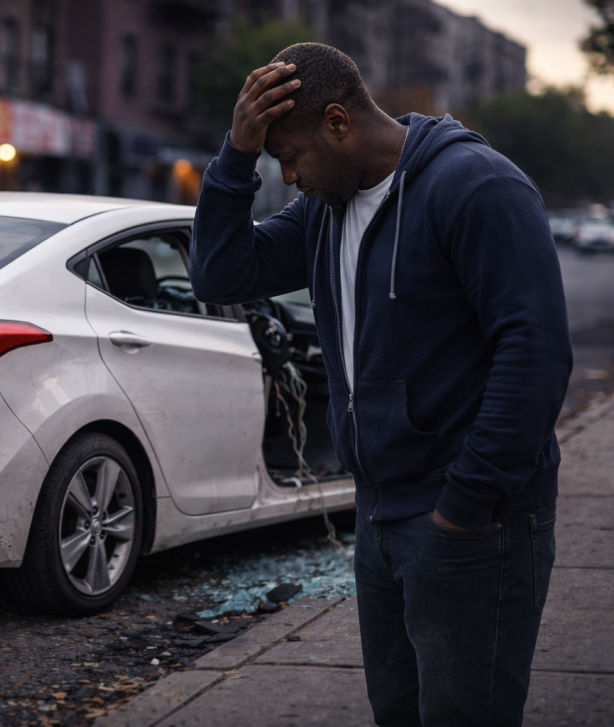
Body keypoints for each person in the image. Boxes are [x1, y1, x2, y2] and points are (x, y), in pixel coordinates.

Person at [188, 43, 572, 727]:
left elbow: (536, 352)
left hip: (473, 524)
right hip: (382, 514)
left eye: (291, 155)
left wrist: (465, 502)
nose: (289, 175)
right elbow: (219, 273)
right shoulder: (324, 213)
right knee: (398, 710)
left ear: (338, 121)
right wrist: (236, 153)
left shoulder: (475, 185)